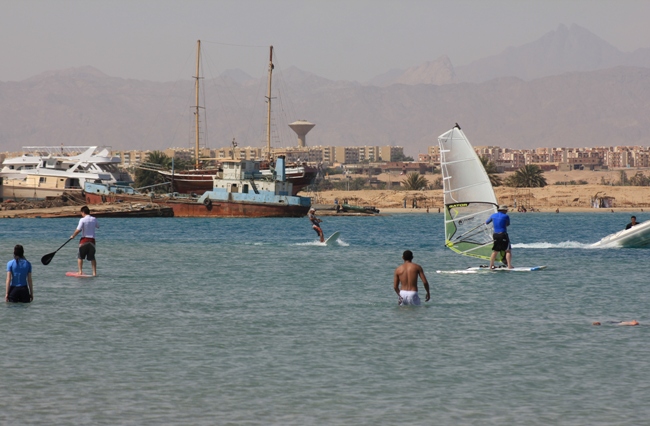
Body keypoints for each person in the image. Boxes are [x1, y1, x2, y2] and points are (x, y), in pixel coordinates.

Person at [70, 206, 99, 276]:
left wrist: (73, 236)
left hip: (84, 240)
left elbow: (78, 229)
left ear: (83, 212)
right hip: (92, 241)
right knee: (92, 257)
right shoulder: (94, 219)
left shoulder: (82, 220)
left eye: (81, 213)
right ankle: (94, 273)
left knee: (80, 256)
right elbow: (98, 226)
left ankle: (80, 272)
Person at [485, 204, 513, 269]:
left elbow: (486, 222)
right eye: (506, 210)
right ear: (504, 210)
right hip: (503, 234)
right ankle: (509, 266)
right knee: (508, 250)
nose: (507, 211)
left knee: (495, 251)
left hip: (495, 235)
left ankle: (491, 265)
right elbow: (507, 224)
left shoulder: (493, 215)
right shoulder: (506, 216)